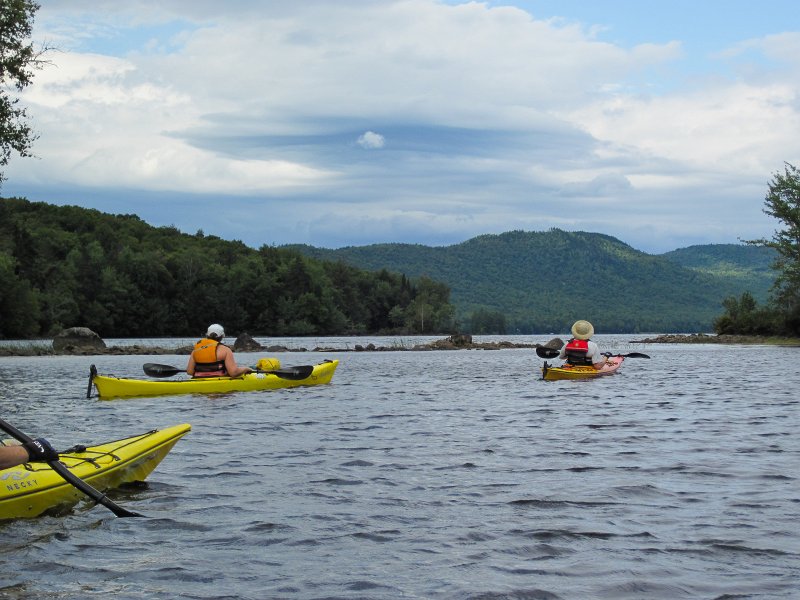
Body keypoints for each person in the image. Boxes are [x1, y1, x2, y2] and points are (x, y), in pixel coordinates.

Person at [186, 324, 253, 378]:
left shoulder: (196, 350)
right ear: (221, 336)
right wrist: (246, 369)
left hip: (199, 379)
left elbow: (189, 372)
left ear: (207, 335)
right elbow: (233, 373)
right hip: (219, 379)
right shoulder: (226, 350)